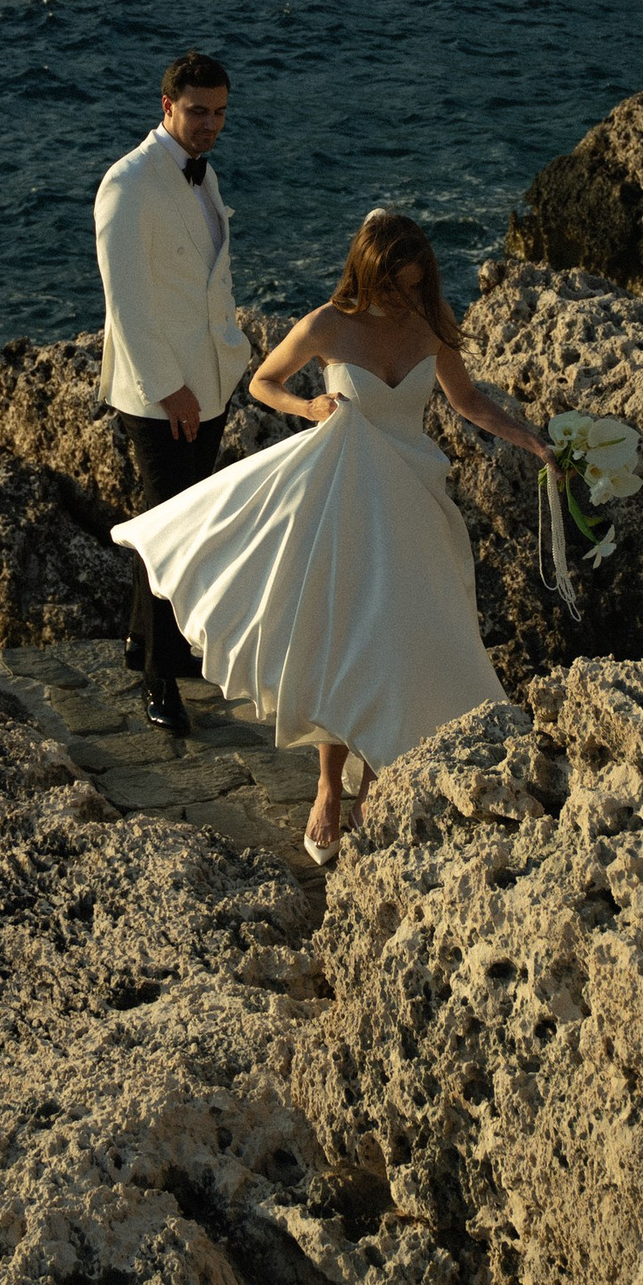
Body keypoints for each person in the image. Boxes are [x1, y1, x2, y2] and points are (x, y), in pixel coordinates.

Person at [112, 208, 551, 860]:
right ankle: (327, 789)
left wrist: (534, 442)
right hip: (346, 499)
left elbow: (470, 403)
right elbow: (264, 383)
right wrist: (309, 406)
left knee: (399, 642)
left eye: (412, 284)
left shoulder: (432, 327)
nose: (401, 298)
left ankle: (375, 788)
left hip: (414, 501)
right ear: (366, 272)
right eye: (391, 285)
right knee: (344, 636)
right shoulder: (327, 324)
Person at [94, 53, 251, 736]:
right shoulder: (128, 185)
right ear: (166, 106)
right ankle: (160, 676)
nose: (210, 124)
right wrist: (171, 391)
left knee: (171, 522)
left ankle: (141, 641)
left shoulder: (202, 174)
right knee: (172, 534)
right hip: (163, 394)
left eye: (219, 112)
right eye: (197, 111)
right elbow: (126, 304)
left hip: (208, 381)